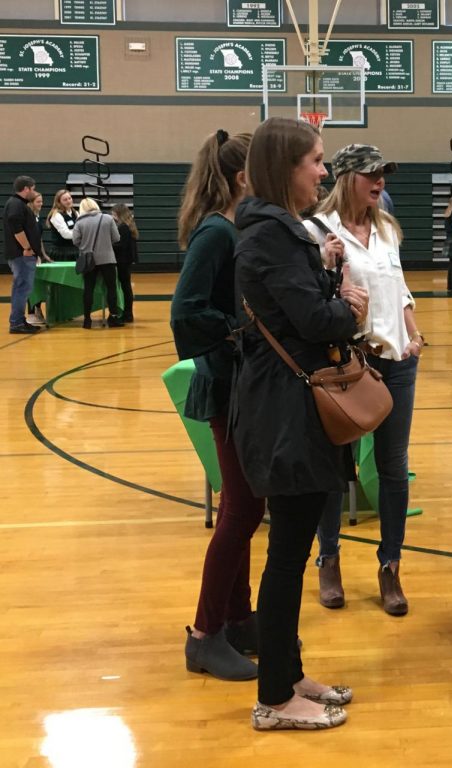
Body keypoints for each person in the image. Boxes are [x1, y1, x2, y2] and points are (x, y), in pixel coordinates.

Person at [232, 117, 367, 730]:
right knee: (287, 556)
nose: (323, 170)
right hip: (286, 411)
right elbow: (314, 321)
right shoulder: (268, 234)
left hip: (293, 405)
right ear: (284, 167)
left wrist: (332, 294)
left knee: (292, 548)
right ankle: (274, 698)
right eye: (314, 160)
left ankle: (288, 674)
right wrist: (348, 309)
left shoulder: (278, 230)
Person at [305, 143, 423, 617]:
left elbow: (399, 286)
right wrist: (328, 265)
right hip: (348, 364)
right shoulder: (317, 230)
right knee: (337, 466)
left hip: (397, 362)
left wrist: (414, 334)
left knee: (394, 467)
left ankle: (390, 565)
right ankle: (328, 559)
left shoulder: (387, 227)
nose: (380, 183)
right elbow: (313, 300)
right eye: (372, 174)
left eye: (384, 176)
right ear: (346, 176)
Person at [170, 129, 265, 683]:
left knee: (243, 505)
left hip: (239, 383)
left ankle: (237, 617)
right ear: (241, 178)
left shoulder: (232, 228)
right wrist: (237, 332)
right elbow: (185, 311)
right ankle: (206, 635)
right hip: (225, 384)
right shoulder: (215, 233)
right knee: (242, 511)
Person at [72, 198, 122, 329]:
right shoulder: (108, 219)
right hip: (107, 259)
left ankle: (87, 319)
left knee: (88, 289)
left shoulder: (80, 222)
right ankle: (114, 317)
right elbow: (116, 238)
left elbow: (75, 241)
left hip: (89, 260)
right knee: (111, 288)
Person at [3, 175, 41, 334]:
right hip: (21, 255)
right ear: (26, 189)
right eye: (33, 188)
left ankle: (19, 320)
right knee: (22, 288)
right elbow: (16, 227)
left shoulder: (18, 204)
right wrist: (26, 247)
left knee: (22, 288)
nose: (34, 191)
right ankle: (17, 322)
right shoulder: (16, 205)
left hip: (22, 255)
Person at [25, 191, 52, 326]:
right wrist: (30, 252)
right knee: (31, 285)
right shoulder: (27, 218)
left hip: (37, 256)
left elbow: (39, 238)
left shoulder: (37, 217)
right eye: (38, 202)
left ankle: (37, 310)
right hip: (28, 256)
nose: (41, 204)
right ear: (30, 203)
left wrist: (43, 254)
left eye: (41, 201)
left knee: (38, 283)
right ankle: (30, 314)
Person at [111, 203, 139, 322]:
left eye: (113, 214)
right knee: (126, 287)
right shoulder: (129, 225)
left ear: (118, 214)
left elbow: (120, 245)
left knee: (125, 287)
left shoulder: (123, 227)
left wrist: (109, 245)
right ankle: (128, 313)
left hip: (122, 260)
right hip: (127, 260)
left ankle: (128, 313)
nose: (112, 216)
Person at [46, 189, 79, 262]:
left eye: (69, 198)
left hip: (75, 250)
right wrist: (80, 234)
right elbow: (66, 234)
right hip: (61, 252)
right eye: (65, 200)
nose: (68, 201)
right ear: (59, 202)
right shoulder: (56, 215)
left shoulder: (76, 213)